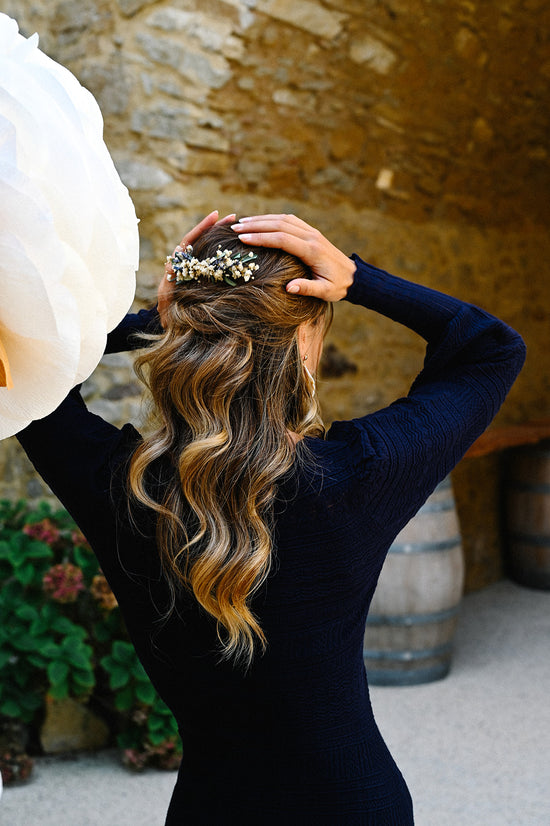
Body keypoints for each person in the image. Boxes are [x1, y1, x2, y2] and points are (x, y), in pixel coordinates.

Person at [17, 211, 525, 825]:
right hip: (353, 805)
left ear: (186, 332)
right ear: (305, 342)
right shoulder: (359, 476)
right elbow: (492, 349)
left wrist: (174, 321)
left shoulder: (118, 486)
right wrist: (357, 279)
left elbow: (29, 364)